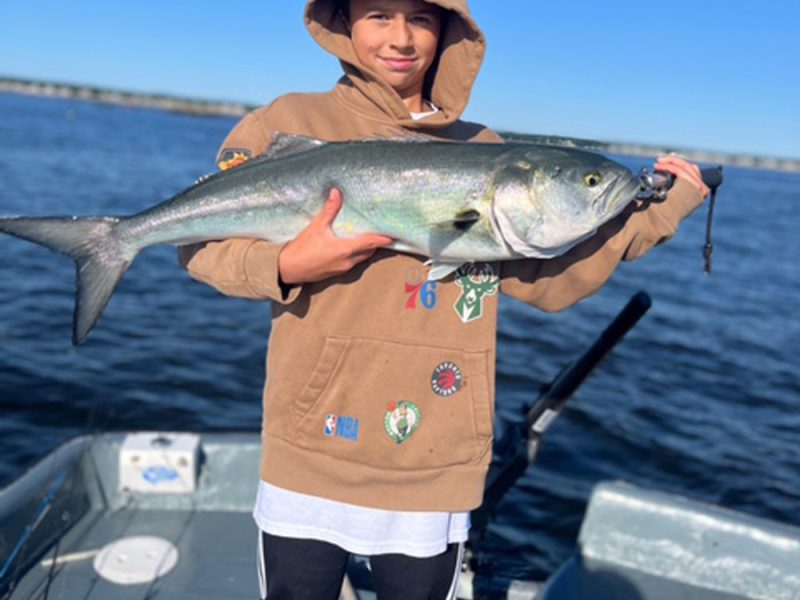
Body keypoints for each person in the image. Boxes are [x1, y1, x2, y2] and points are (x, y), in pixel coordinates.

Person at [179, 1, 709, 598]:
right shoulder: (288, 120)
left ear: (450, 30)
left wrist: (657, 213)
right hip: (309, 449)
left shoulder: (482, 146)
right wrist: (284, 265)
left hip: (431, 462)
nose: (400, 38)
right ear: (345, 21)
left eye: (422, 19)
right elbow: (199, 245)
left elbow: (549, 280)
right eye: (379, 15)